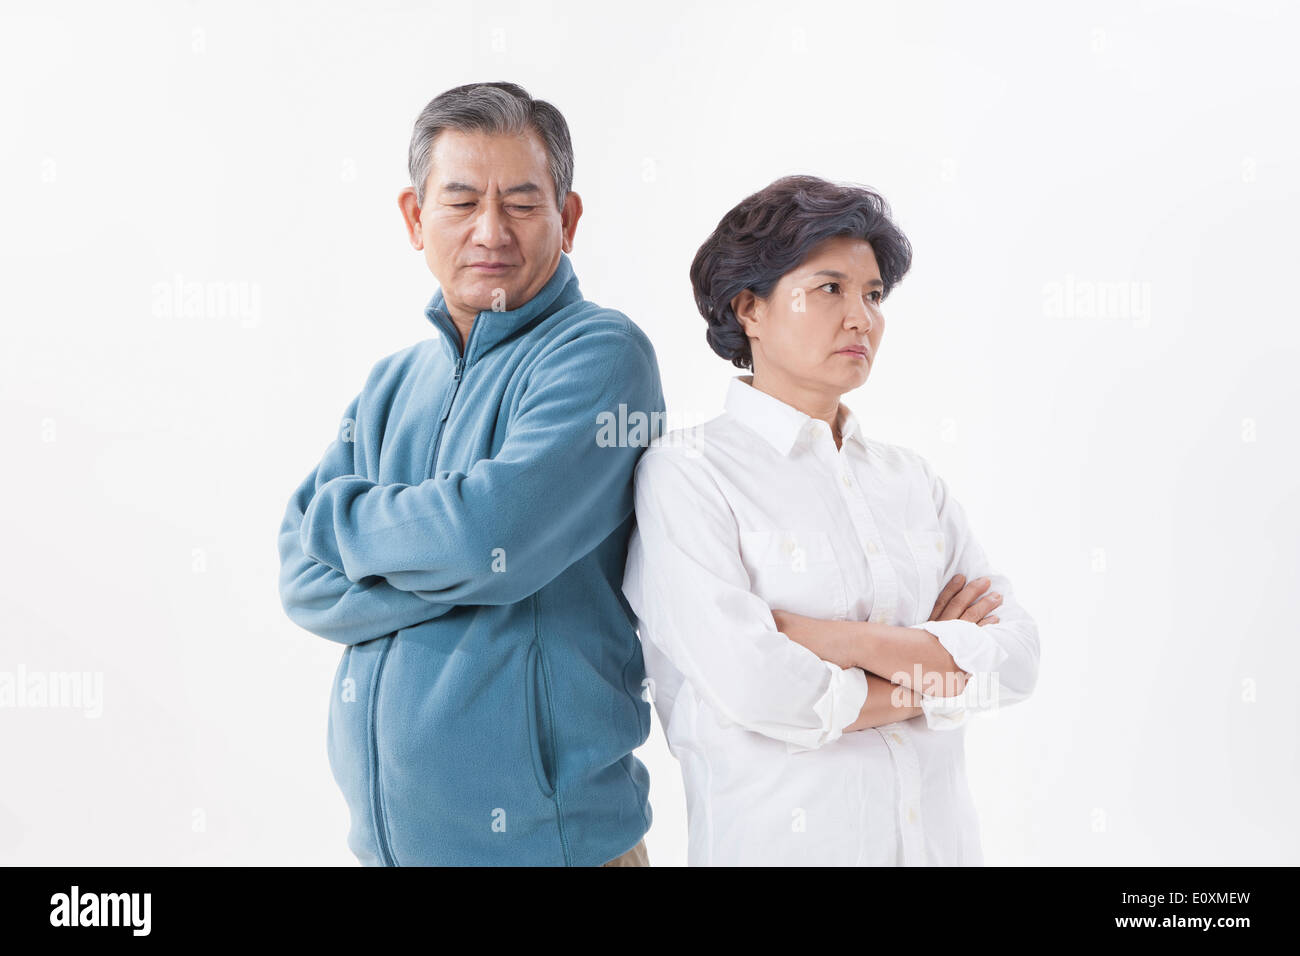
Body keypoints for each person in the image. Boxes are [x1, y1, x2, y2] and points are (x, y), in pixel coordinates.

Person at [277, 82, 663, 866]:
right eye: (460, 202)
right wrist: (467, 567)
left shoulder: (600, 355)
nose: (491, 230)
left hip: (553, 850)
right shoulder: (391, 384)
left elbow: (494, 535)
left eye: (522, 203)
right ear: (416, 220)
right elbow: (301, 577)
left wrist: (352, 525)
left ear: (570, 218)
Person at [622, 175, 1040, 866]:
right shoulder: (687, 476)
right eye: (830, 289)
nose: (862, 317)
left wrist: (830, 639)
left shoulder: (910, 480)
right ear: (749, 308)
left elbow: (1017, 662)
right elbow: (763, 689)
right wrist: (937, 674)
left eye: (873, 294)